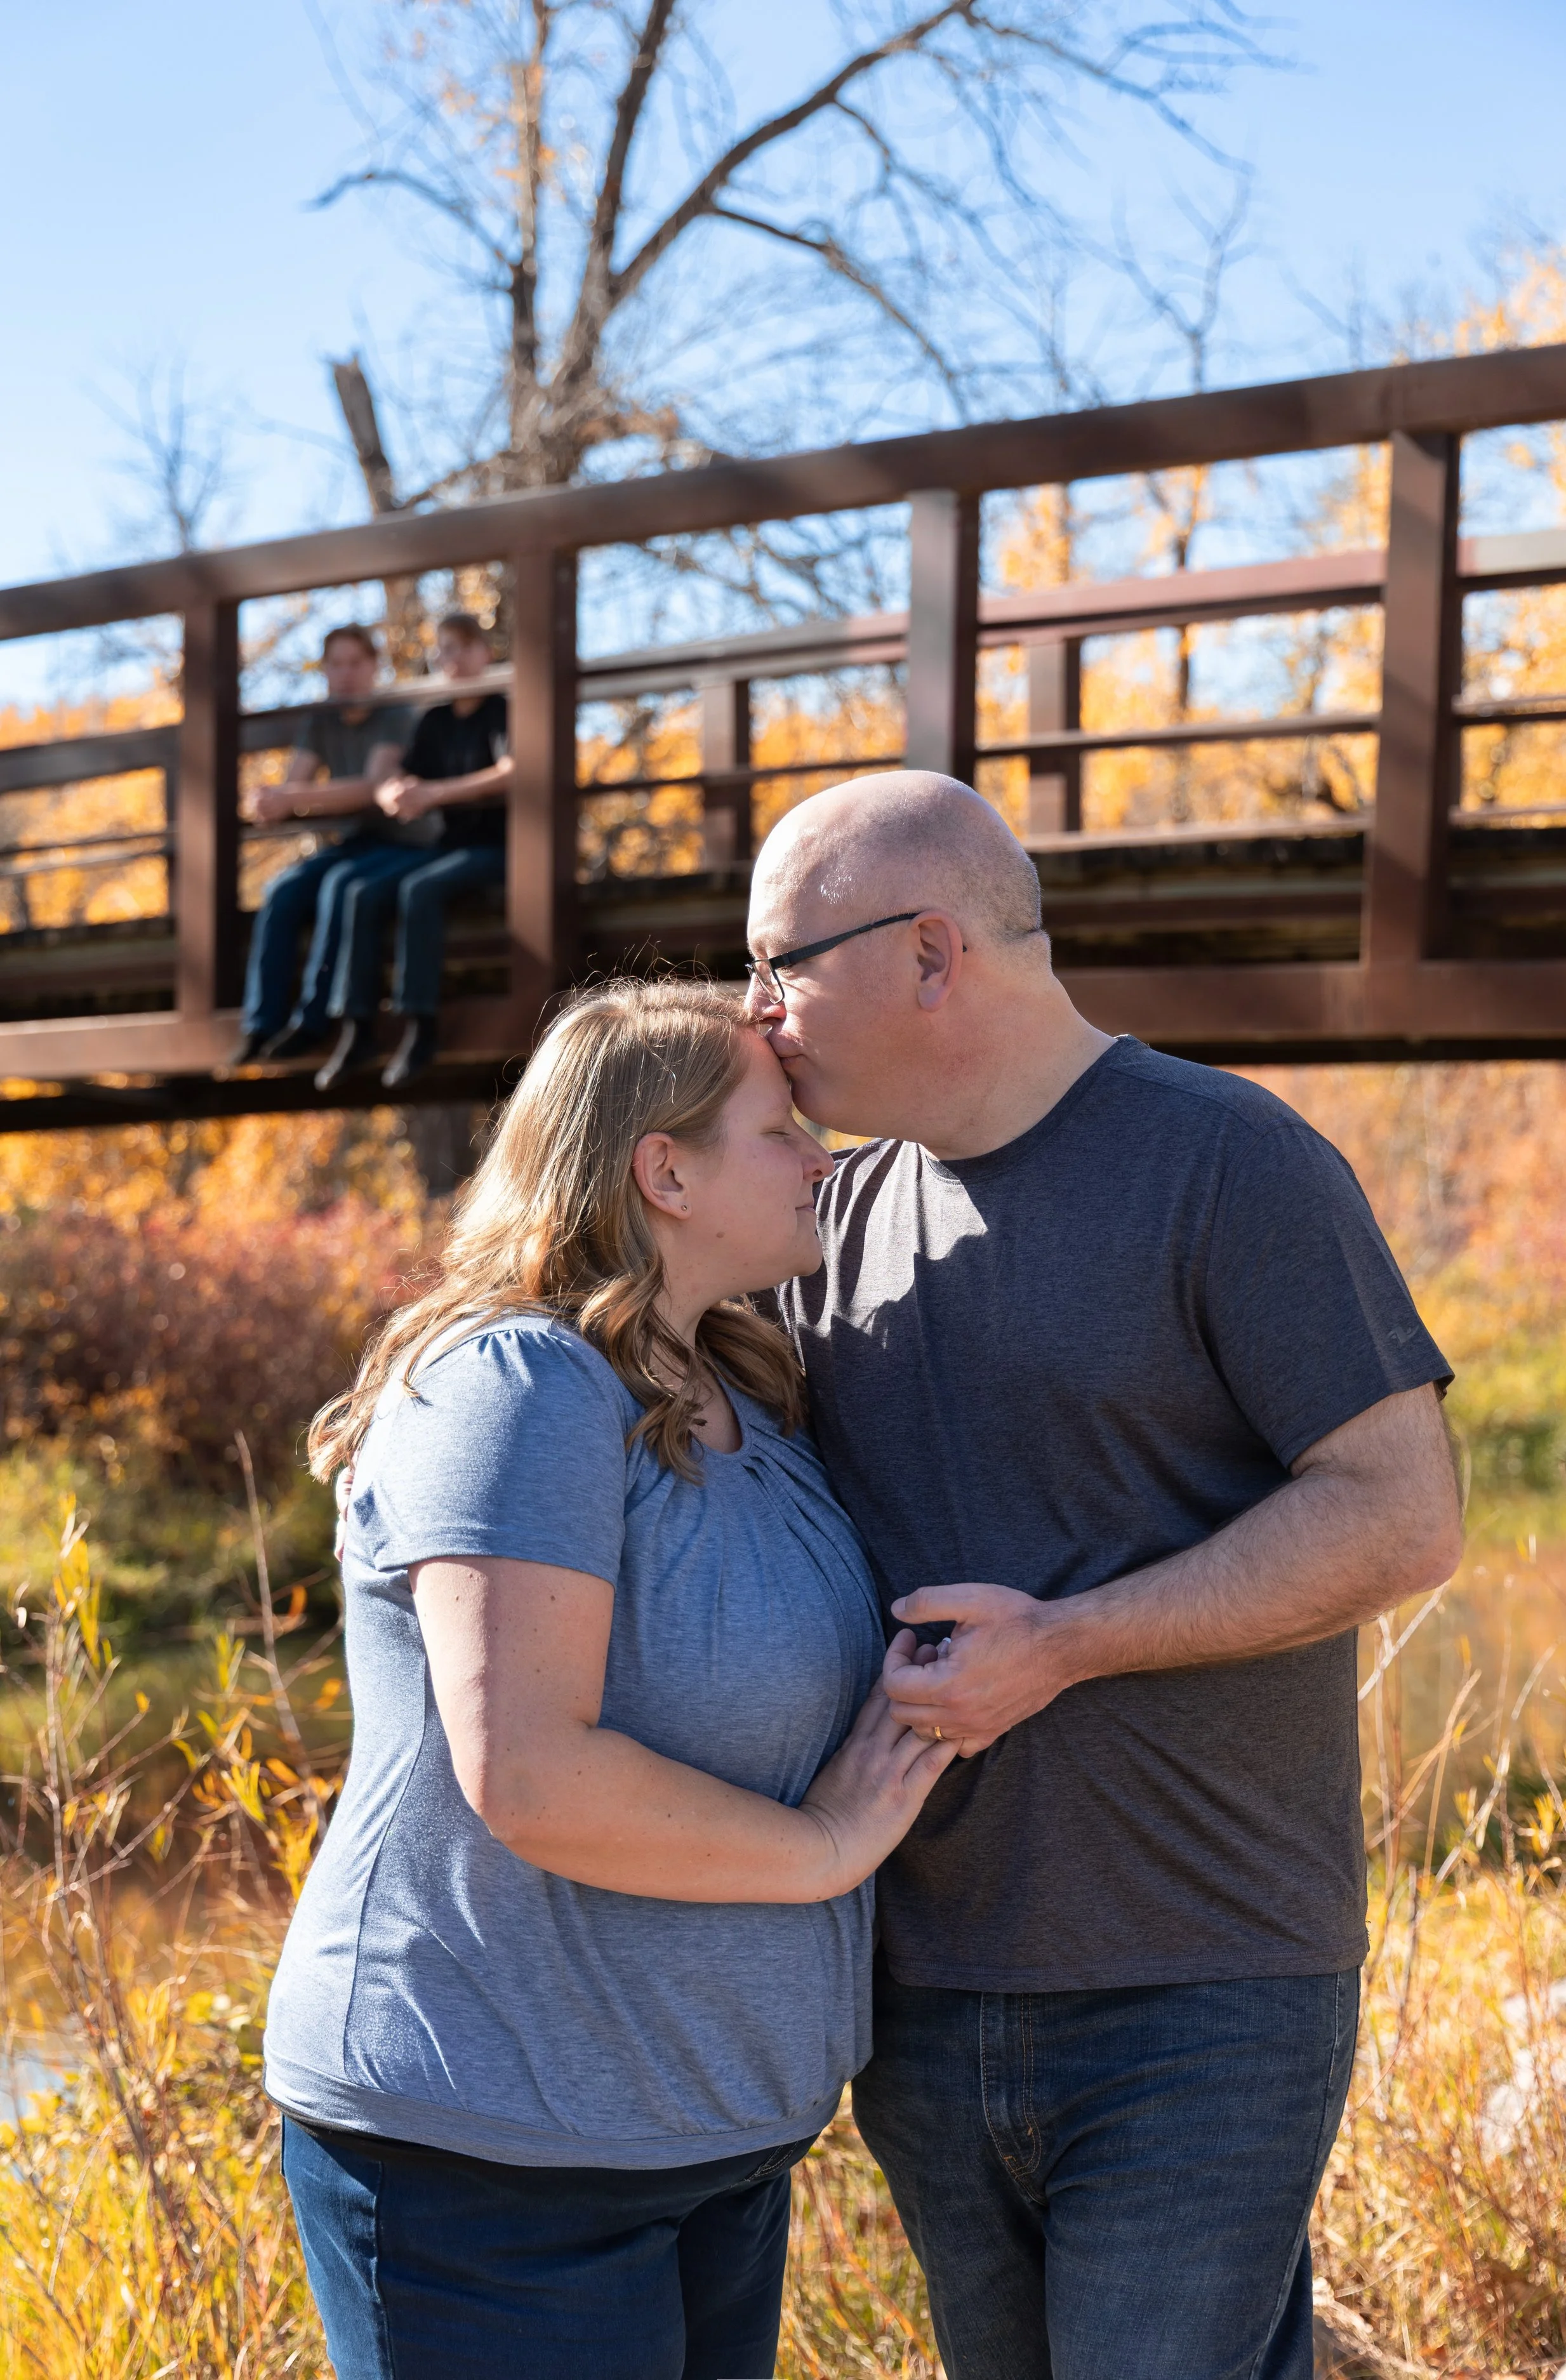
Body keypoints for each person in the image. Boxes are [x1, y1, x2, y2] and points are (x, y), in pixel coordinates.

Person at [744, 770, 1465, 2380]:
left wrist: (1067, 1642)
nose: (756, 1010)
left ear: (931, 951)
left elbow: (1401, 1513)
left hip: (1201, 1982)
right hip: (921, 1985)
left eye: (779, 958)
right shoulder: (827, 1217)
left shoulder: (1231, 1163)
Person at [265, 977, 954, 2380]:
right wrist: (825, 1845)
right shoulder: (515, 1384)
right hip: (487, 2151)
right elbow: (530, 1774)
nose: (823, 1160)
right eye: (779, 1130)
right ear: (664, 1170)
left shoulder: (738, 1387)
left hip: (704, 2140)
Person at [314, 610, 510, 1094]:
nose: (455, 660)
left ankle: (420, 1025)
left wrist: (435, 794)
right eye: (445, 650)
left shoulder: (502, 710)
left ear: (486, 654)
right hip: (448, 847)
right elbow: (403, 777)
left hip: (497, 847)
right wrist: (393, 794)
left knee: (419, 890)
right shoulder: (436, 720)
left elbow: (511, 770)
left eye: (465, 647)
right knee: (362, 891)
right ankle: (355, 1024)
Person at [226, 625, 418, 1068]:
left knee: (338, 887)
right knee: (282, 891)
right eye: (337, 664)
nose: (346, 674)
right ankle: (261, 1024)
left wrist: (290, 798)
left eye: (356, 663)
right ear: (325, 670)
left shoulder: (395, 714)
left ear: (373, 667)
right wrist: (269, 800)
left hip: (402, 842)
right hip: (351, 843)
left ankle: (314, 1020)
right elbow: (296, 786)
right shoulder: (320, 721)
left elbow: (372, 787)